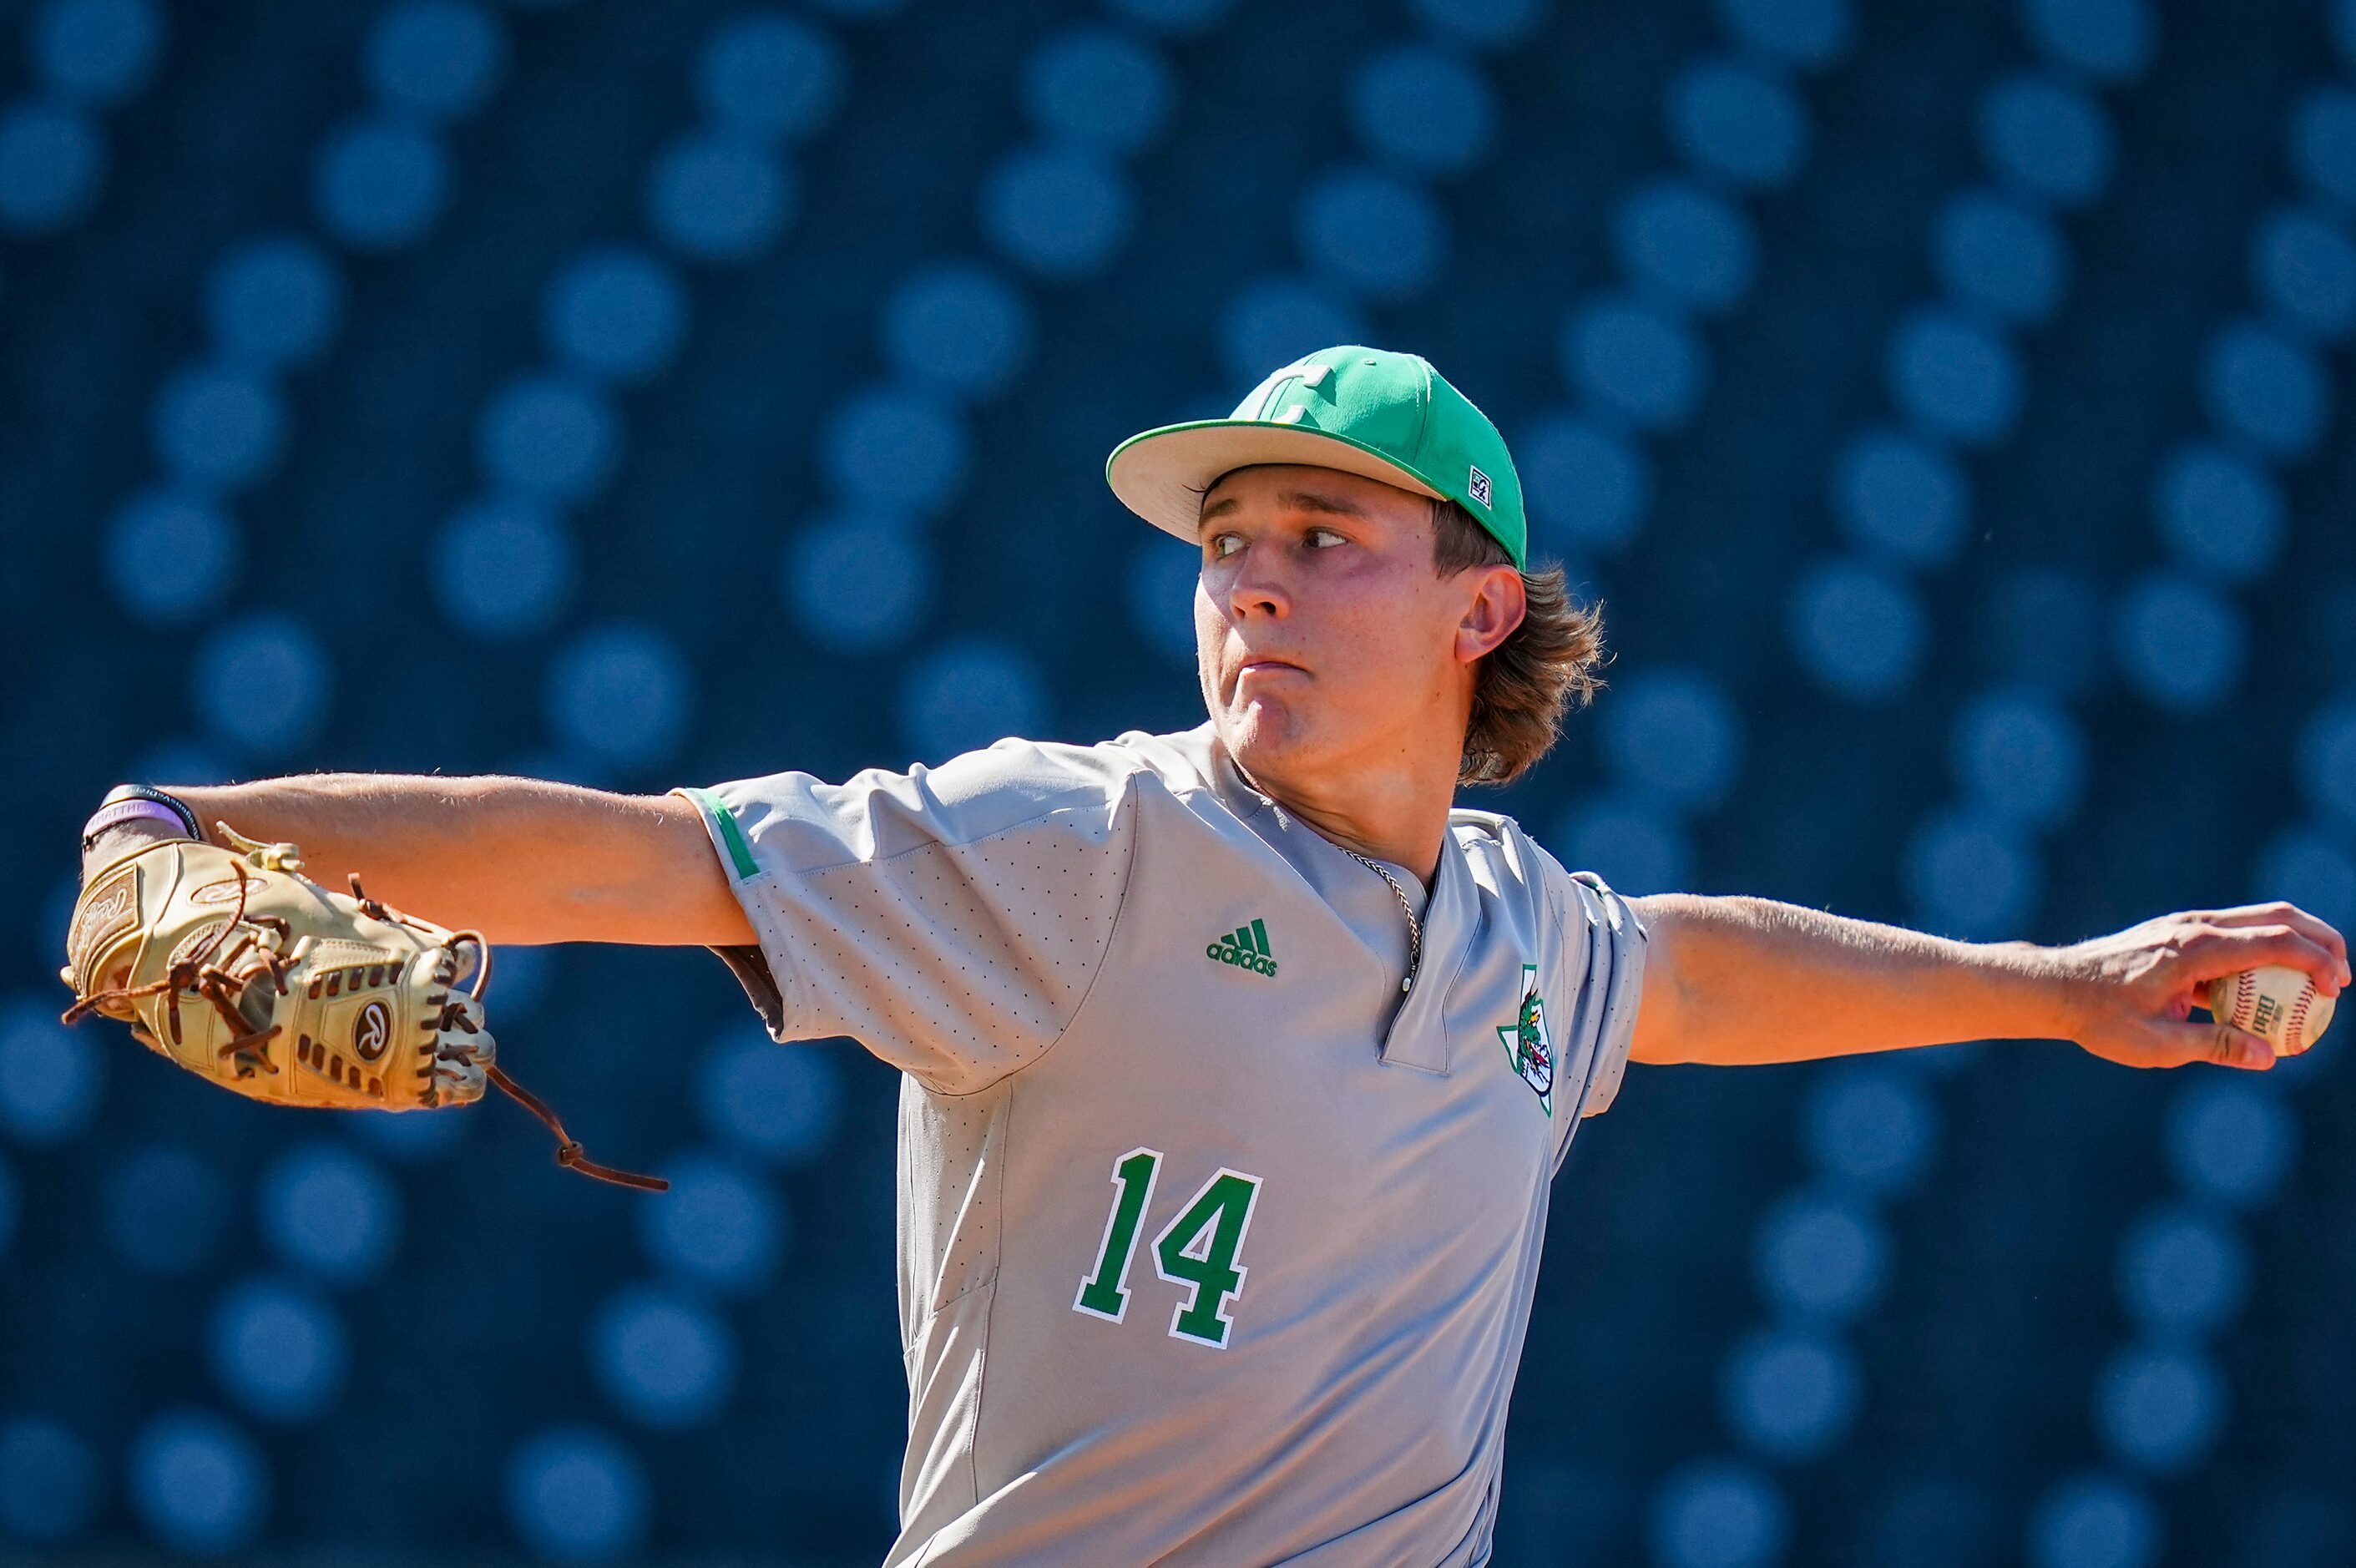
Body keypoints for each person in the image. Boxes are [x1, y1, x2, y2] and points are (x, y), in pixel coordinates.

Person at [76, 346, 2348, 1566]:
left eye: (1323, 540)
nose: (1251, 579)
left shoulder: (1526, 935)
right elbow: (638, 854)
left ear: (1482, 612)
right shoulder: (1088, 846)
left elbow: (1696, 971)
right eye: (1230, 544)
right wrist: (211, 826)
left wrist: (2058, 988)